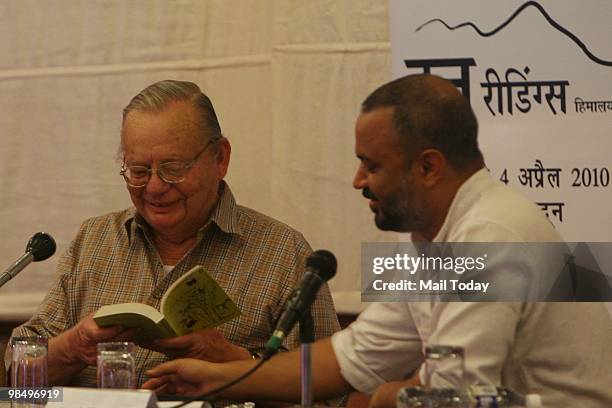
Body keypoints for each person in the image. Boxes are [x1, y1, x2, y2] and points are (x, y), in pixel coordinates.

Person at [143, 74, 612, 407]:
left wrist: (389, 396)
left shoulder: (490, 235)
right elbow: (355, 356)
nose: (357, 180)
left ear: (428, 167)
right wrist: (218, 380)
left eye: (373, 165)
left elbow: (448, 398)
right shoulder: (428, 238)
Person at [6, 80, 340, 387]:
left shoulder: (282, 253)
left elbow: (326, 395)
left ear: (220, 158)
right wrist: (74, 346)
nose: (154, 187)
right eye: (138, 170)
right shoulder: (94, 240)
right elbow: (16, 382)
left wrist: (231, 362)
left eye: (173, 169)